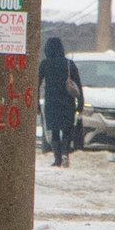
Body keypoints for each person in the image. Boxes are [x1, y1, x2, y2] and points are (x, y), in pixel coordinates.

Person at [37, 35, 83, 167]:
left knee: (55, 130)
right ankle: (65, 153)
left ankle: (57, 158)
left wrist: (36, 103)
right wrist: (80, 103)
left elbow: (37, 83)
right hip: (67, 102)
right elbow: (78, 85)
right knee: (67, 129)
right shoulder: (69, 64)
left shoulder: (45, 64)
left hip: (51, 102)